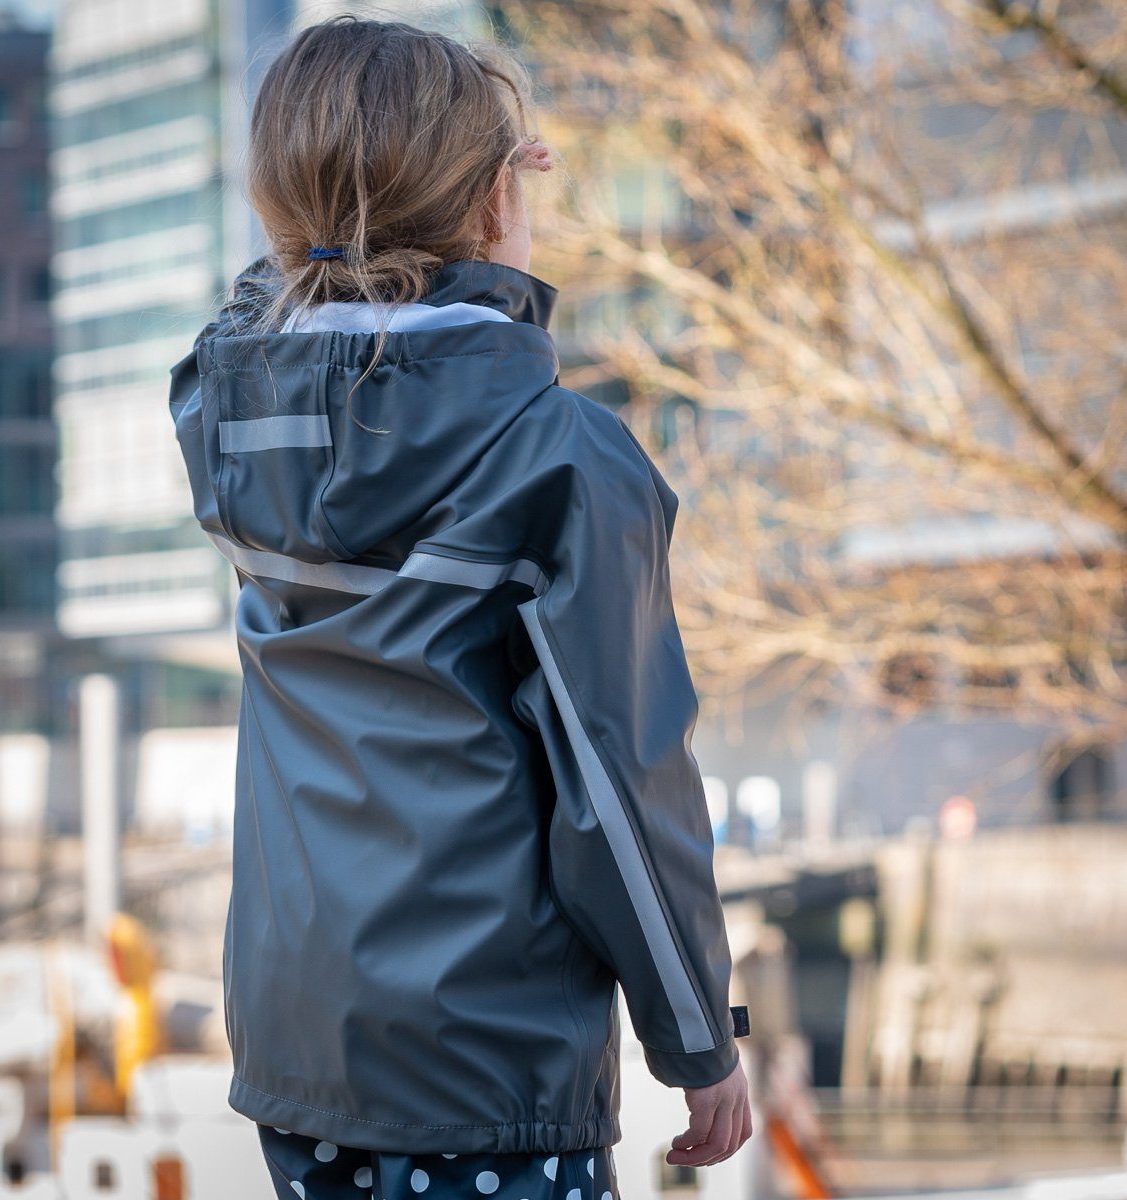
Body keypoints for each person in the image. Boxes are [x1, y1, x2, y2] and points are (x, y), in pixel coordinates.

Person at [167, 14, 753, 1200]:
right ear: (496, 200)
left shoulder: (233, 428)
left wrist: (366, 213)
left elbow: (278, 314)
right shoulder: (560, 457)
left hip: (300, 1057)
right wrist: (699, 1040)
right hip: (488, 1068)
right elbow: (620, 786)